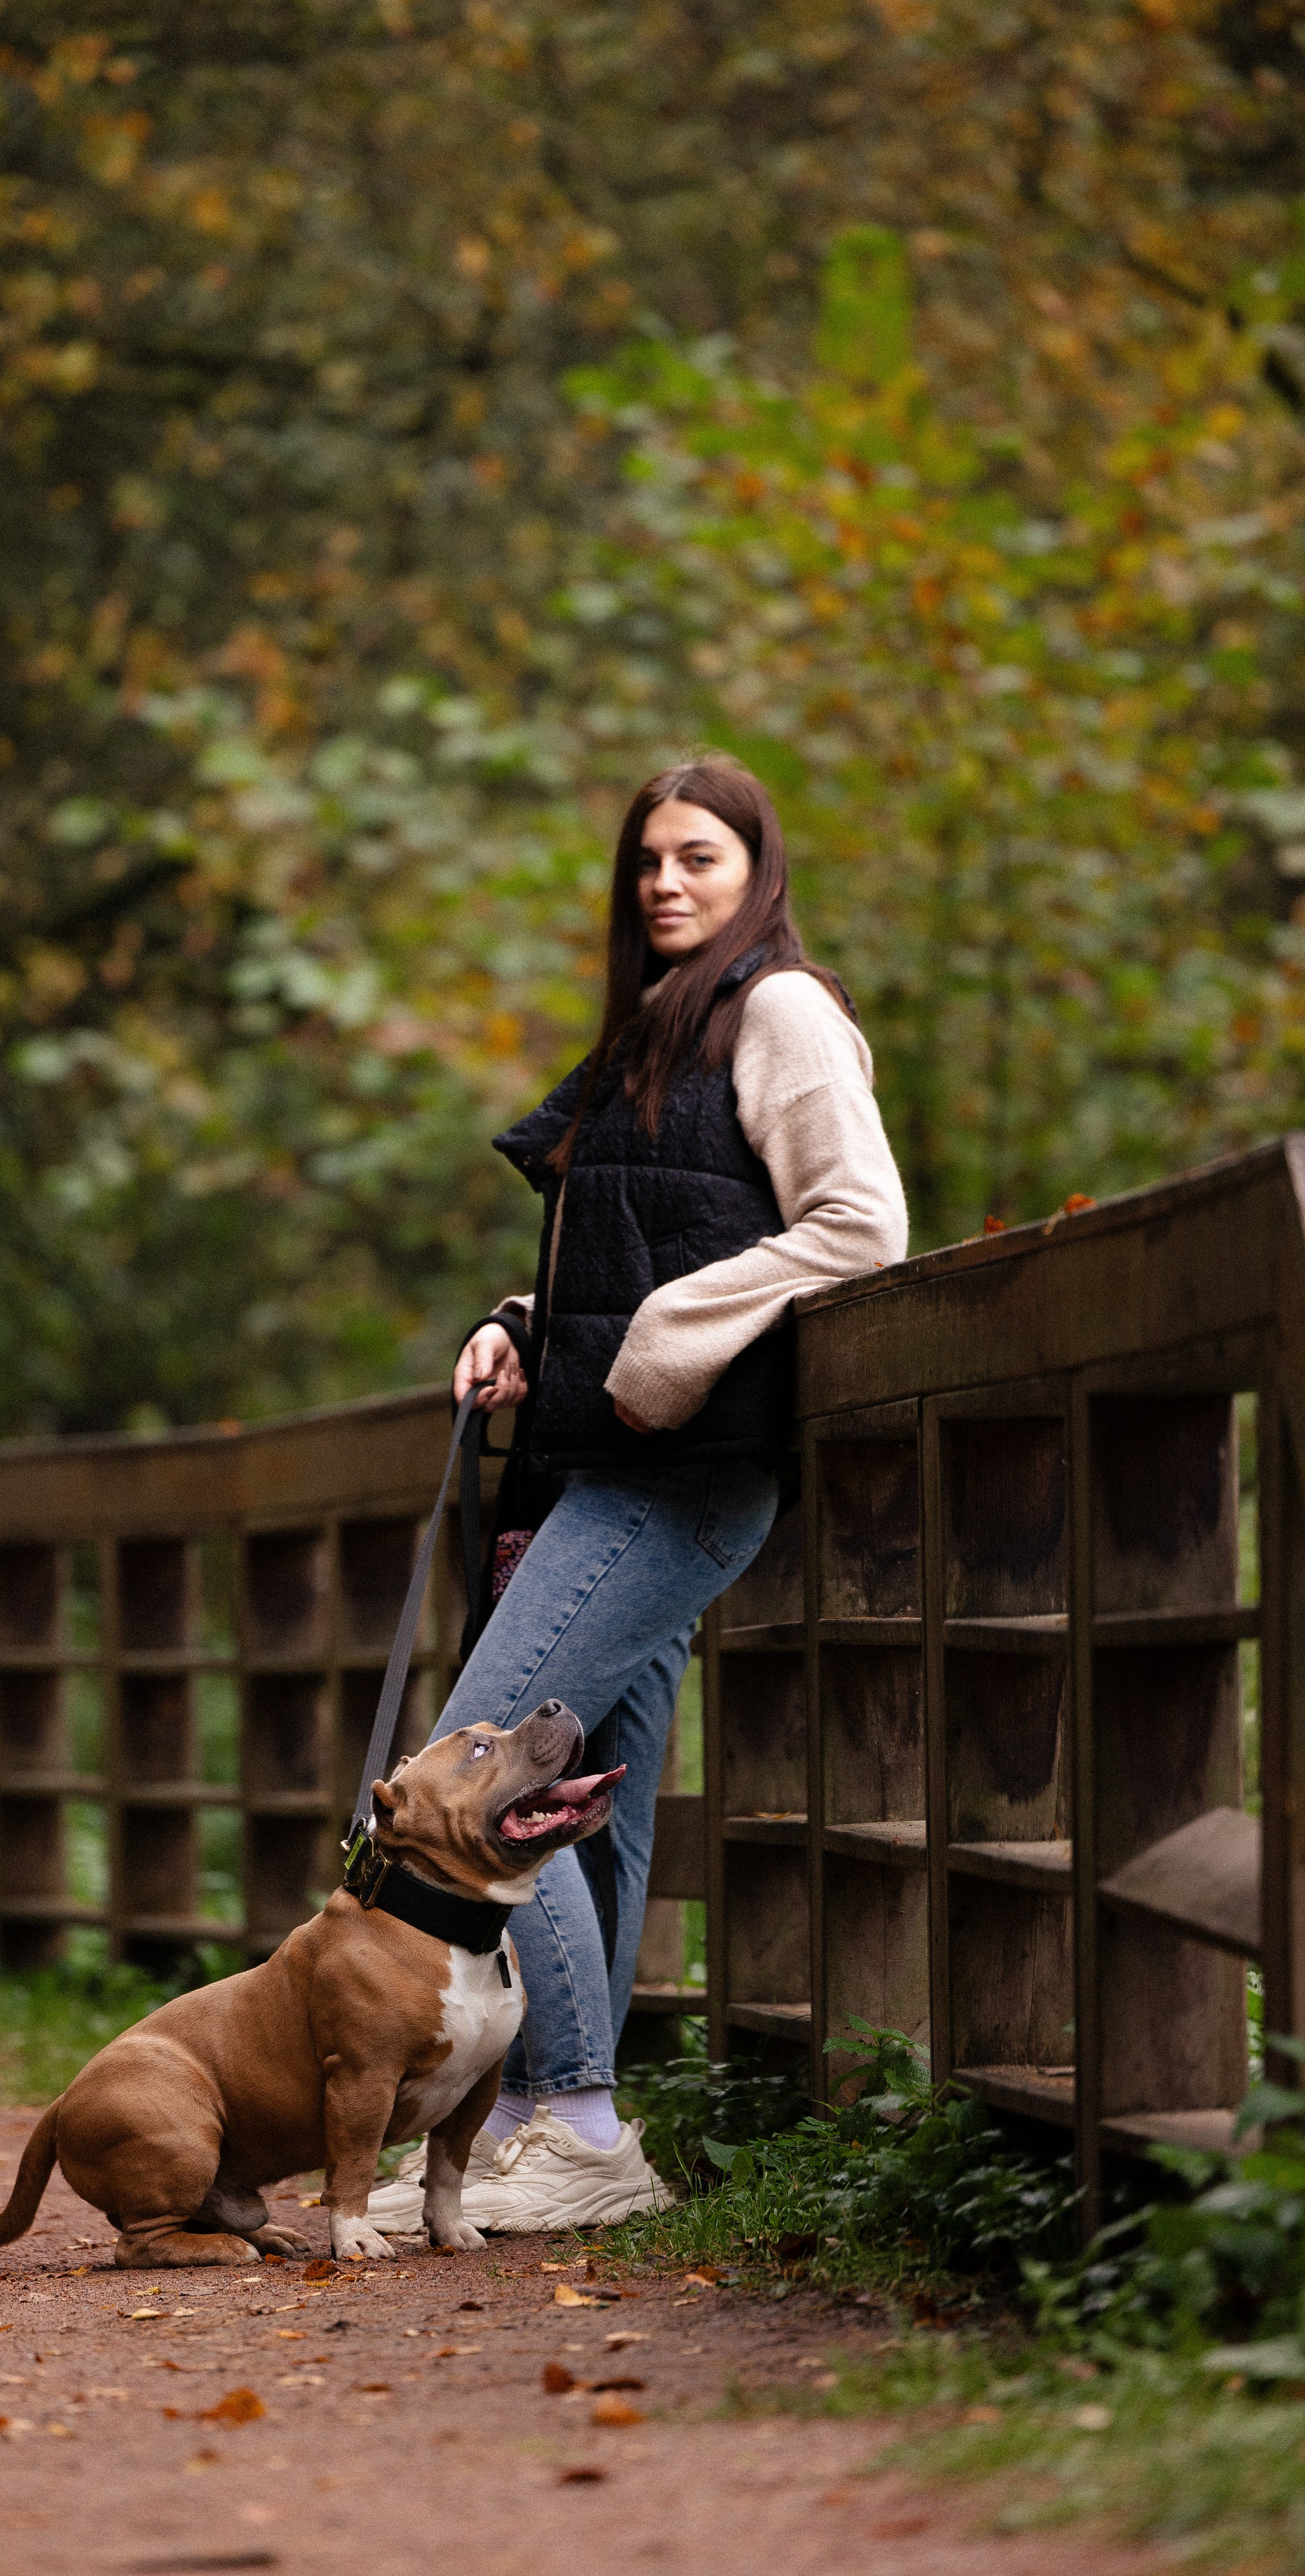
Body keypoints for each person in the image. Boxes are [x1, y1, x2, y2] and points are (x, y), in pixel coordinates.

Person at [366, 752, 910, 2238]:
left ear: (754, 872)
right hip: (605, 1459)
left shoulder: (781, 1009)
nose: (665, 882)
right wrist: (520, 1323)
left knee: (474, 1782)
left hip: (678, 1472)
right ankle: (557, 2119)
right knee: (580, 1807)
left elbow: (861, 1221)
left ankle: (582, 2115)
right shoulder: (648, 1036)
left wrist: (673, 1337)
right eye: (647, 862)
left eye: (698, 858)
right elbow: (635, 1239)